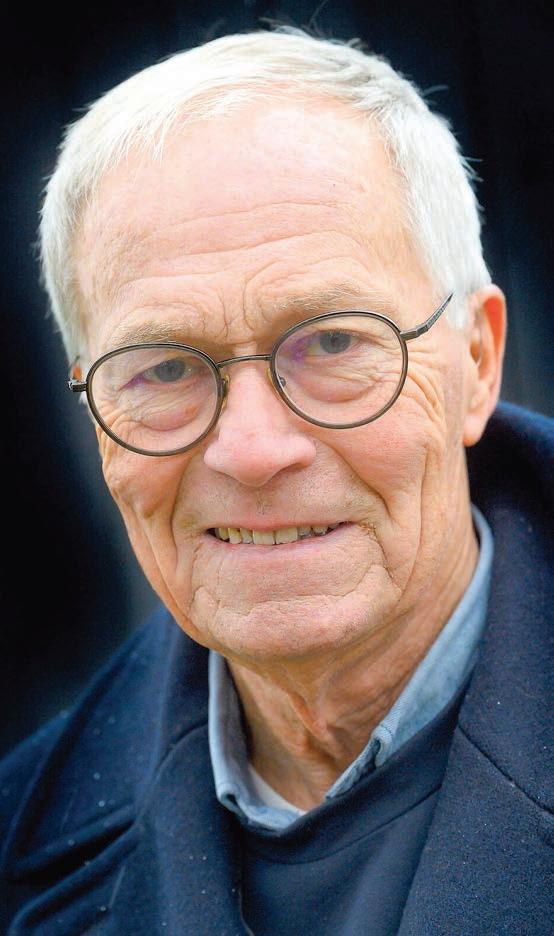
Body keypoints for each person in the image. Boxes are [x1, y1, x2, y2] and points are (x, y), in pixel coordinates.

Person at [1, 26, 552, 936]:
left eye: (333, 342)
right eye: (164, 369)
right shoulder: (21, 846)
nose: (253, 451)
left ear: (477, 362)